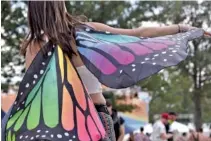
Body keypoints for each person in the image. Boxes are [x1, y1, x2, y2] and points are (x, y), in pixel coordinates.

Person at [1, 1, 208, 141]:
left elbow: (33, 97)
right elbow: (139, 34)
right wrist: (181, 29)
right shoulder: (85, 32)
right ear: (59, 6)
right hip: (96, 119)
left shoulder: (32, 47)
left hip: (58, 125)